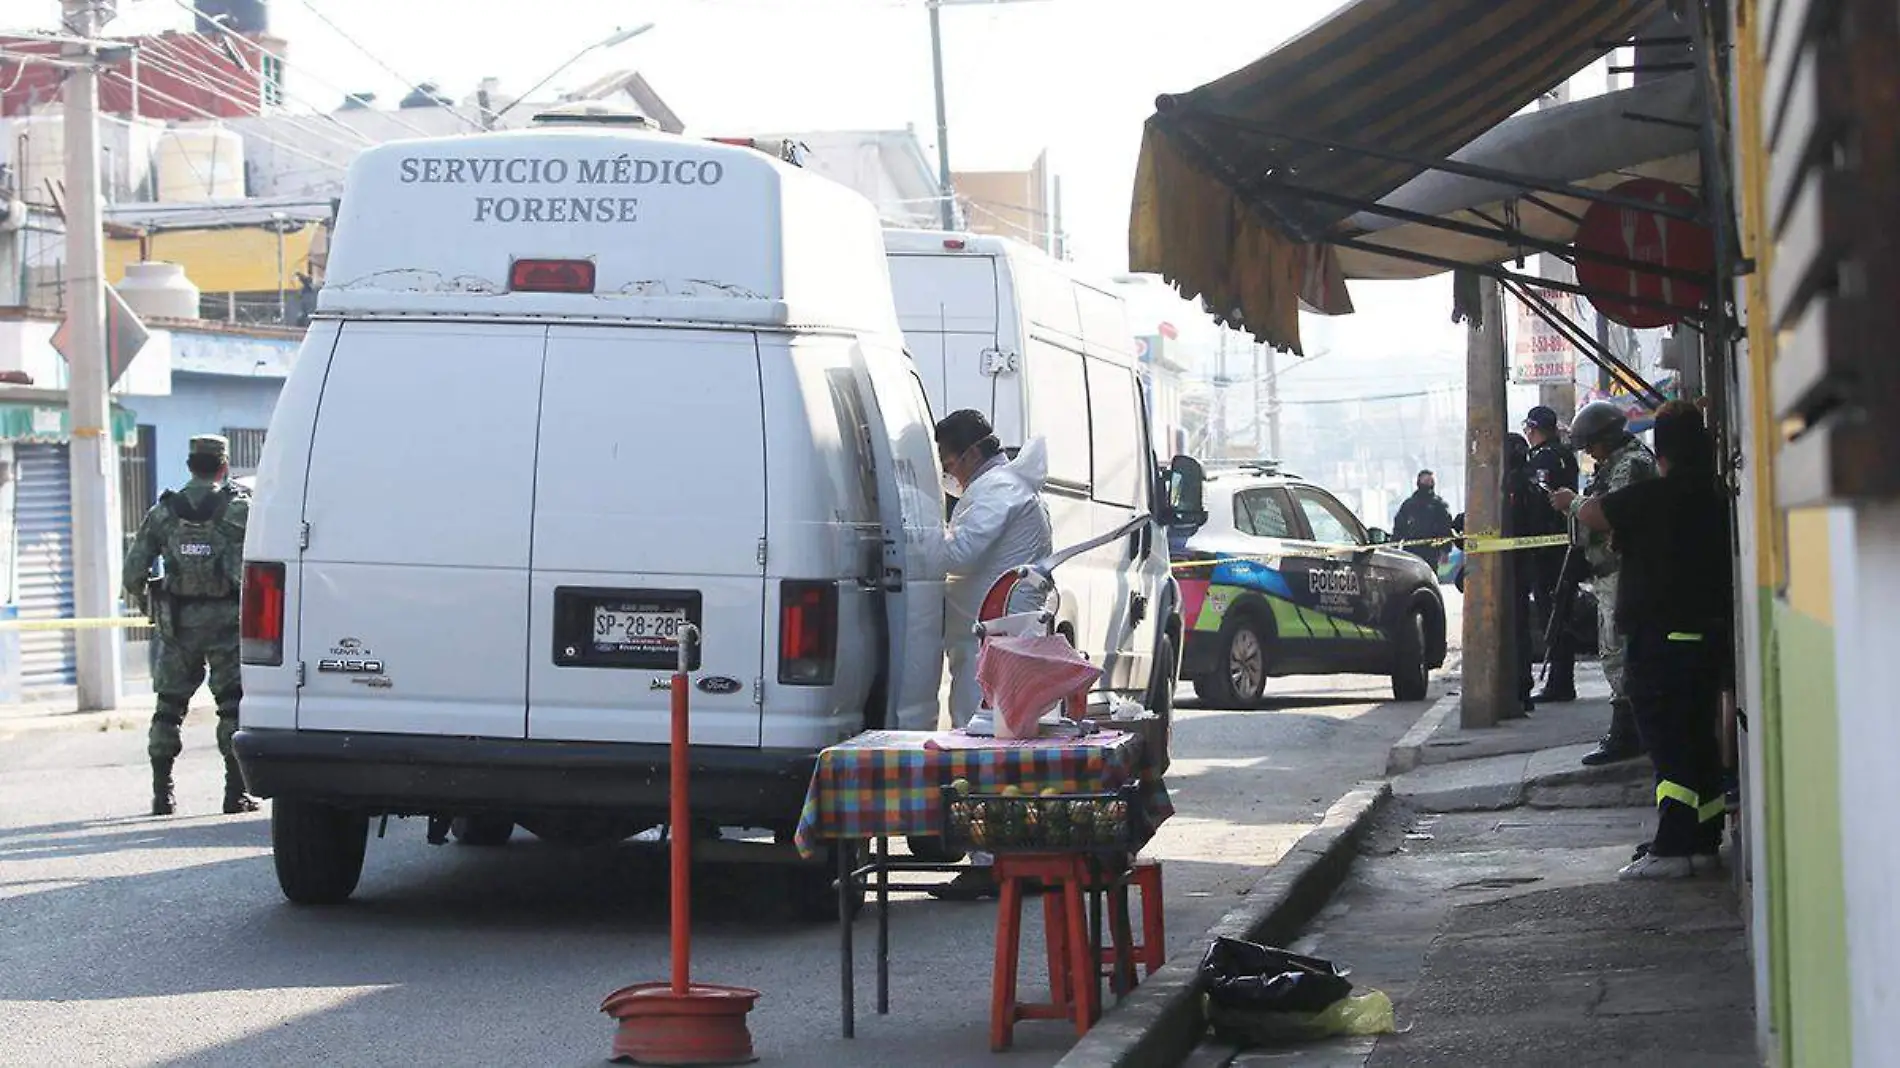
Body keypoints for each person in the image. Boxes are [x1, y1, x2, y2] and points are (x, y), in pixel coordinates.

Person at [1552, 402, 1731, 878]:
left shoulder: (1654, 494)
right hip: (1705, 639)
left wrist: (1571, 502)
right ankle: (1703, 840)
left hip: (1661, 642)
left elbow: (1595, 512)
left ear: (1664, 451)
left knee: (1669, 745)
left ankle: (1673, 849)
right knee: (1698, 742)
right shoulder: (1714, 497)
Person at [929, 410, 1054, 901]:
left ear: (973, 454)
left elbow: (960, 553)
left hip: (997, 639)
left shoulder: (999, 489)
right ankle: (1005, 856)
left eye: (949, 463)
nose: (950, 473)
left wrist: (916, 533)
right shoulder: (1002, 487)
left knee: (984, 746)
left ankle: (993, 860)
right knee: (995, 742)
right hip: (995, 637)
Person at [123, 434, 257, 816]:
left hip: (178, 625)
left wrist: (153, 607)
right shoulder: (242, 510)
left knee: (168, 707)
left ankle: (162, 794)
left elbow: (133, 573)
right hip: (229, 624)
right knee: (231, 708)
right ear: (224, 466)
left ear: (189, 465)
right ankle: (235, 794)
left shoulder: (164, 512)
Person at [1552, 400, 1659, 766]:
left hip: (1623, 571)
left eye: (1591, 446)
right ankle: (1631, 729)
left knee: (1618, 652)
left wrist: (1572, 503)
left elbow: (1609, 513)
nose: (1589, 454)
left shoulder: (1632, 464)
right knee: (1616, 651)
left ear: (1606, 438)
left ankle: (1628, 733)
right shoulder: (1616, 464)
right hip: (1610, 571)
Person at [1522, 405, 1581, 703]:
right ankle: (1561, 680)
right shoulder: (1564, 454)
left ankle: (1561, 683)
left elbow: (1538, 502)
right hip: (1562, 545)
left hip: (1548, 550)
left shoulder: (1544, 459)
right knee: (1559, 613)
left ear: (1533, 429)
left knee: (1554, 614)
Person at [1503, 433, 1542, 711]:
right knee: (1519, 627)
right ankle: (1520, 689)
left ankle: (1517, 688)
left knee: (1513, 626)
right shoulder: (1530, 478)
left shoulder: (1514, 483)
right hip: (1524, 561)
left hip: (1513, 564)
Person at [1393, 470, 1455, 569]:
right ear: (1419, 482)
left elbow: (1446, 527)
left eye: (1431, 481)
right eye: (1426, 480)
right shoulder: (1409, 504)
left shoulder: (1439, 505)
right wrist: (1394, 546)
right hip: (1412, 550)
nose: (1429, 483)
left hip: (1432, 551)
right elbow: (1399, 526)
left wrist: (1445, 551)